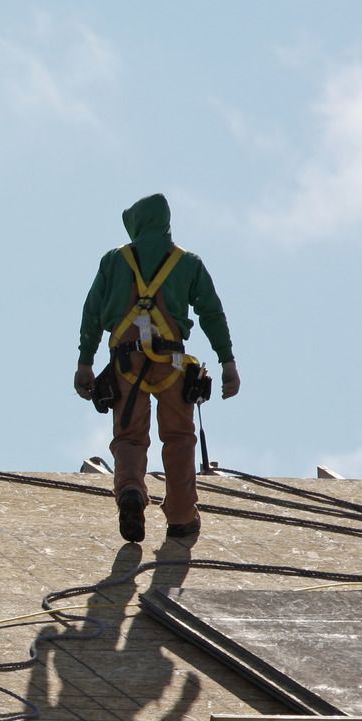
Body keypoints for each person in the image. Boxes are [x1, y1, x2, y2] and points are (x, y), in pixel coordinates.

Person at [73, 193, 239, 543]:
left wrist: (85, 363)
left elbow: (91, 313)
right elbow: (212, 312)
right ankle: (180, 516)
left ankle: (131, 489)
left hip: (125, 362)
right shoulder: (188, 263)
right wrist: (227, 362)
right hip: (172, 365)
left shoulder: (114, 262)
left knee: (130, 437)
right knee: (179, 438)